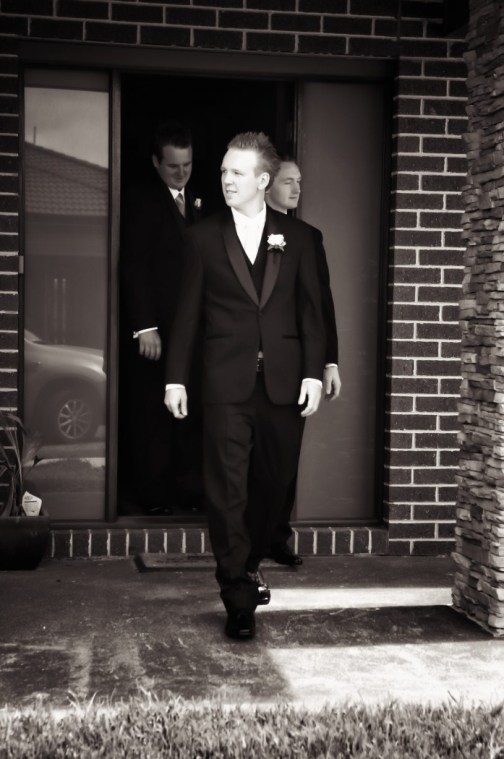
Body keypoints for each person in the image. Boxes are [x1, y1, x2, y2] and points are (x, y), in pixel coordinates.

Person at [164, 132, 326, 640]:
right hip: (224, 384)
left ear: (262, 179)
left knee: (274, 486)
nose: (226, 180)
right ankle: (237, 595)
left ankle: (251, 561)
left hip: (284, 385)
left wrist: (314, 371)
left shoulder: (301, 239)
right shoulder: (202, 238)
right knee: (227, 490)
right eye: (223, 172)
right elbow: (187, 314)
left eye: (237, 172)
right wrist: (175, 378)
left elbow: (313, 313)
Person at [119, 121, 204, 515]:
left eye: (187, 165)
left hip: (190, 328)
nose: (181, 173)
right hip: (155, 329)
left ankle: (187, 493)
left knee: (188, 410)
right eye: (173, 166)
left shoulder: (201, 200)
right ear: (156, 163)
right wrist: (145, 325)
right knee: (151, 412)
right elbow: (134, 265)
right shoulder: (142, 201)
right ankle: (151, 496)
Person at [265, 158, 341, 566]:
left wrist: (329, 362)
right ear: (266, 184)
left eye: (299, 181)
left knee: (284, 458)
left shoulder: (309, 237)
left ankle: (276, 537)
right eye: (288, 182)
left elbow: (320, 303)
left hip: (293, 365)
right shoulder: (238, 230)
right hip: (243, 364)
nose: (296, 189)